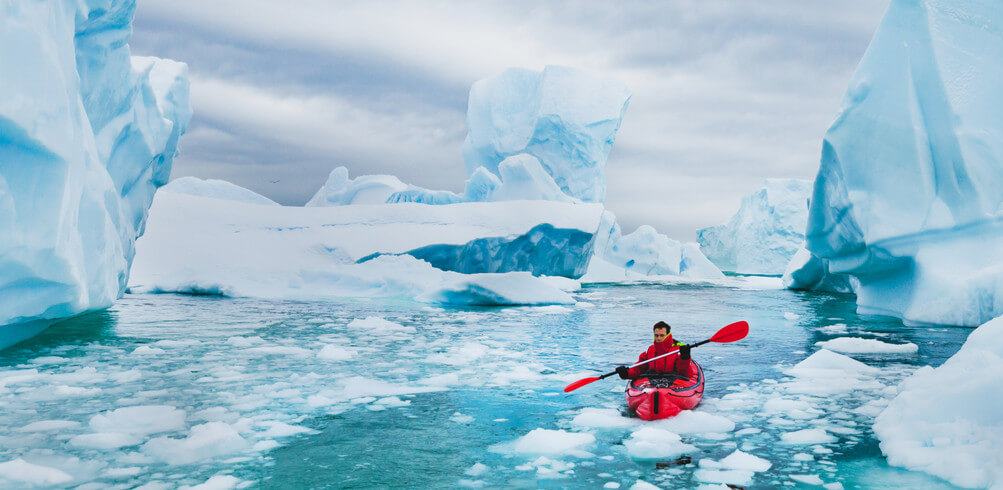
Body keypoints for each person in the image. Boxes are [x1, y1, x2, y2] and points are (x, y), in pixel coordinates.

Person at [616, 321, 693, 380]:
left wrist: (685, 358)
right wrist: (626, 373)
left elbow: (685, 373)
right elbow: (639, 368)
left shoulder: (678, 350)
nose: (659, 338)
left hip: (674, 383)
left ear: (667, 335)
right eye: (656, 335)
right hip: (653, 382)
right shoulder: (651, 350)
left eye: (662, 335)